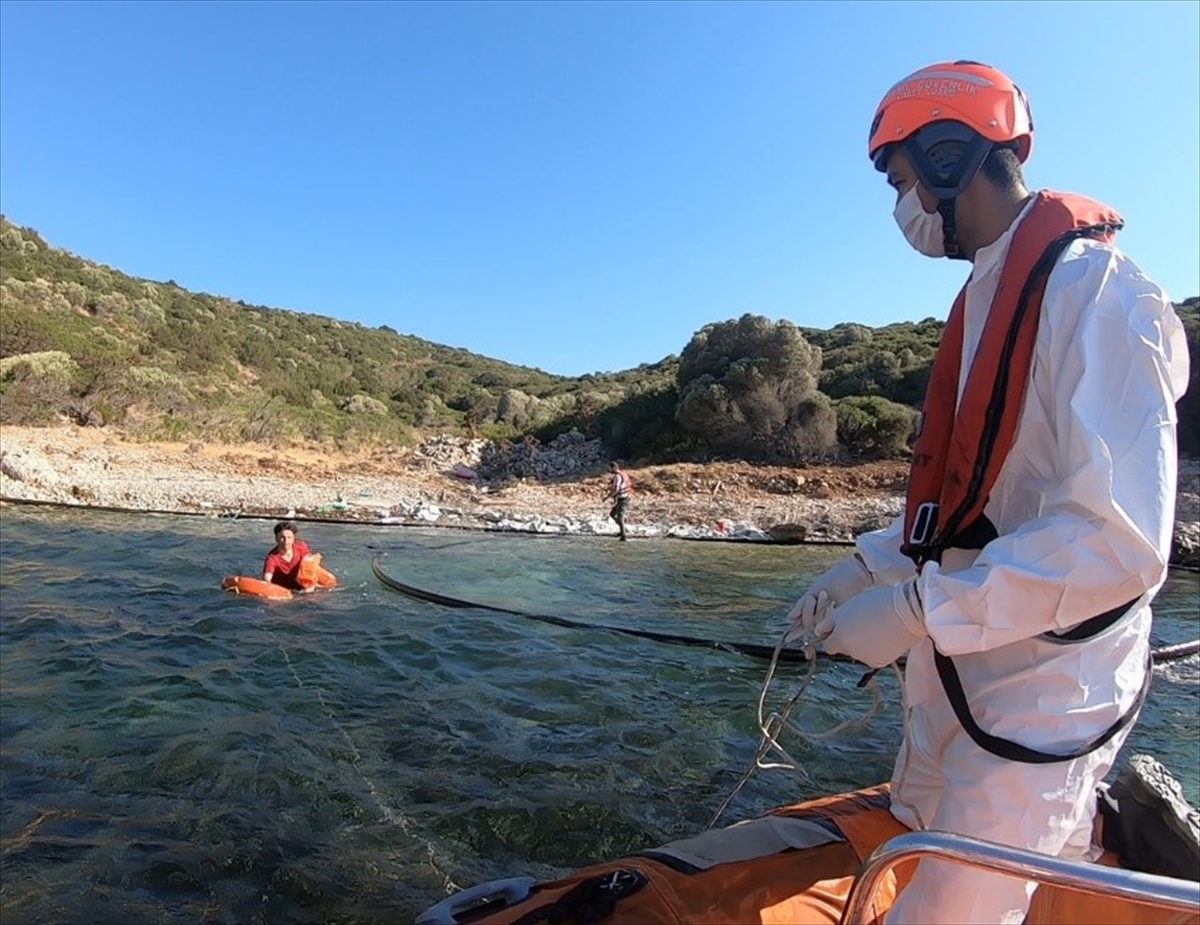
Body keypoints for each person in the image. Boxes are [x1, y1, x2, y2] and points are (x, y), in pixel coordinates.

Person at [787, 60, 1189, 924]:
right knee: (917, 840)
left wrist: (915, 613)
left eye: (900, 180)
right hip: (954, 690)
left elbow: (1115, 546)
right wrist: (860, 573)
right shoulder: (983, 302)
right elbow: (975, 510)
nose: (900, 209)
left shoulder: (1101, 298)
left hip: (1038, 707)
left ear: (944, 155)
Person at [262, 520, 316, 591]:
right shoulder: (272, 558)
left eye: (289, 537)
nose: (286, 541)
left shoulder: (301, 547)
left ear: (294, 539)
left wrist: (310, 585)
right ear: (276, 539)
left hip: (301, 587)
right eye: (282, 537)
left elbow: (310, 564)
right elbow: (267, 578)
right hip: (284, 590)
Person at [603, 461, 632, 541]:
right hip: (622, 498)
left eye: (610, 468)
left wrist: (607, 497)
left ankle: (624, 536)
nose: (609, 470)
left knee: (620, 517)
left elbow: (616, 489)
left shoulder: (617, 476)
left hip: (623, 499)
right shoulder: (623, 473)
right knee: (612, 514)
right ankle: (622, 530)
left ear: (614, 468)